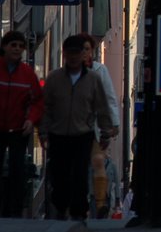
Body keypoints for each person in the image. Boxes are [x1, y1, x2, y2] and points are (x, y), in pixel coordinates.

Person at [40, 34, 115, 221]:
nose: (73, 57)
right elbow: (45, 107)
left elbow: (102, 106)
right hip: (58, 133)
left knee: (80, 173)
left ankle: (79, 211)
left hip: (83, 133)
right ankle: (60, 206)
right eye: (70, 53)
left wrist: (106, 131)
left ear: (83, 54)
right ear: (64, 54)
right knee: (60, 174)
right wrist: (43, 131)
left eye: (77, 52)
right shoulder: (55, 78)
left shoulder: (93, 78)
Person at [0, 30, 44, 217]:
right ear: (4, 47)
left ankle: (13, 211)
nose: (17, 49)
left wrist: (31, 120)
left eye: (20, 46)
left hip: (17, 130)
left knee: (17, 171)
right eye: (13, 45)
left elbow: (37, 101)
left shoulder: (27, 74)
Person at [81, 33, 120, 218]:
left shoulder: (99, 71)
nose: (84, 53)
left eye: (88, 49)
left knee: (98, 161)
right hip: (70, 130)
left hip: (93, 129)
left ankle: (100, 202)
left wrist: (114, 124)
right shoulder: (64, 74)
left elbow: (109, 99)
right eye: (81, 49)